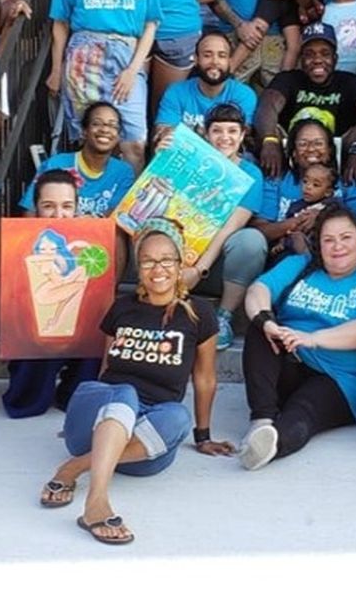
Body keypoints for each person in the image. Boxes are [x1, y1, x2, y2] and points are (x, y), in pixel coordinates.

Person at [40, 220, 232, 544]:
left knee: (178, 416)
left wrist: (203, 436)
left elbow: (205, 377)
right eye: (147, 261)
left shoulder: (199, 314)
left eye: (166, 260)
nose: (158, 269)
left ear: (180, 264)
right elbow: (106, 367)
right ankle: (96, 503)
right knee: (124, 393)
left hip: (143, 451)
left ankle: (74, 468)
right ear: (138, 268)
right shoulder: (122, 307)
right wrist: (95, 417)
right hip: (105, 411)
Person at [239, 203, 356, 470]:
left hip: (340, 379)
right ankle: (261, 421)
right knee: (259, 329)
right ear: (319, 244)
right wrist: (266, 322)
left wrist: (312, 338)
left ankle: (269, 446)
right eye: (328, 240)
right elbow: (258, 290)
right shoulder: (301, 265)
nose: (337, 246)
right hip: (292, 361)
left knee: (304, 410)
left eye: (346, 237)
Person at [46, 0, 160, 172]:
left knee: (135, 142)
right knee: (88, 138)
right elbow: (60, 24)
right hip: (83, 57)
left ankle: (128, 200)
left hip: (127, 56)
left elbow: (150, 25)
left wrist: (133, 70)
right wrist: (56, 70)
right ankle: (88, 196)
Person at [2, 170, 103, 419]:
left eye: (67, 206)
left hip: (77, 316)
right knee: (34, 338)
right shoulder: (26, 241)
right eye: (49, 206)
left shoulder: (86, 237)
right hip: (37, 315)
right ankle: (30, 392)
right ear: (36, 207)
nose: (59, 214)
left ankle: (75, 393)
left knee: (93, 326)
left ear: (77, 207)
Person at [254, 21, 356, 184]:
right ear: (301, 59)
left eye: (325, 54)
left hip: (337, 153)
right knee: (266, 132)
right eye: (310, 54)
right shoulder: (288, 79)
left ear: (335, 59)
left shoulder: (350, 82)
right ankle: (274, 185)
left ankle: (352, 187)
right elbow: (267, 106)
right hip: (294, 151)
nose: (317, 60)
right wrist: (270, 140)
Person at [186, 103, 268, 350]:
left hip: (220, 267)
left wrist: (198, 269)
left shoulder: (250, 174)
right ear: (206, 134)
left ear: (242, 135)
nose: (225, 137)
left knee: (251, 241)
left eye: (232, 131)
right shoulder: (190, 162)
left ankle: (223, 317)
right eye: (217, 131)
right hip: (182, 253)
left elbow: (231, 226)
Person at [255, 118, 356, 247]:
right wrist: (297, 221)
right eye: (303, 144)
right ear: (294, 152)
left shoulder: (349, 182)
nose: (311, 149)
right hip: (286, 251)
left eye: (318, 143)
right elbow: (260, 231)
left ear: (330, 150)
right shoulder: (276, 181)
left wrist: (323, 216)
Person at [20, 102, 137, 220]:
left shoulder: (123, 172)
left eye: (113, 126)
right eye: (96, 123)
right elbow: (30, 211)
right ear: (84, 131)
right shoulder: (56, 164)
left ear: (118, 136)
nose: (105, 129)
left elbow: (119, 216)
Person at [154, 31, 257, 133]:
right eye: (207, 55)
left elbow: (242, 135)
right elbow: (163, 132)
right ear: (196, 59)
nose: (215, 62)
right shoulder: (176, 92)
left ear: (229, 61)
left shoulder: (244, 95)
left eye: (222, 56)